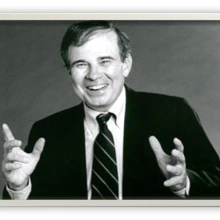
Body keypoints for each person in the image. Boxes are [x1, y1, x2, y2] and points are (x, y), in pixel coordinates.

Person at [2, 21, 220, 200]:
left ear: (125, 64)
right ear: (70, 71)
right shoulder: (47, 131)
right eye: (81, 64)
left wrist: (184, 183)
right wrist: (19, 188)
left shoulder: (173, 112)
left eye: (104, 61)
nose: (93, 75)